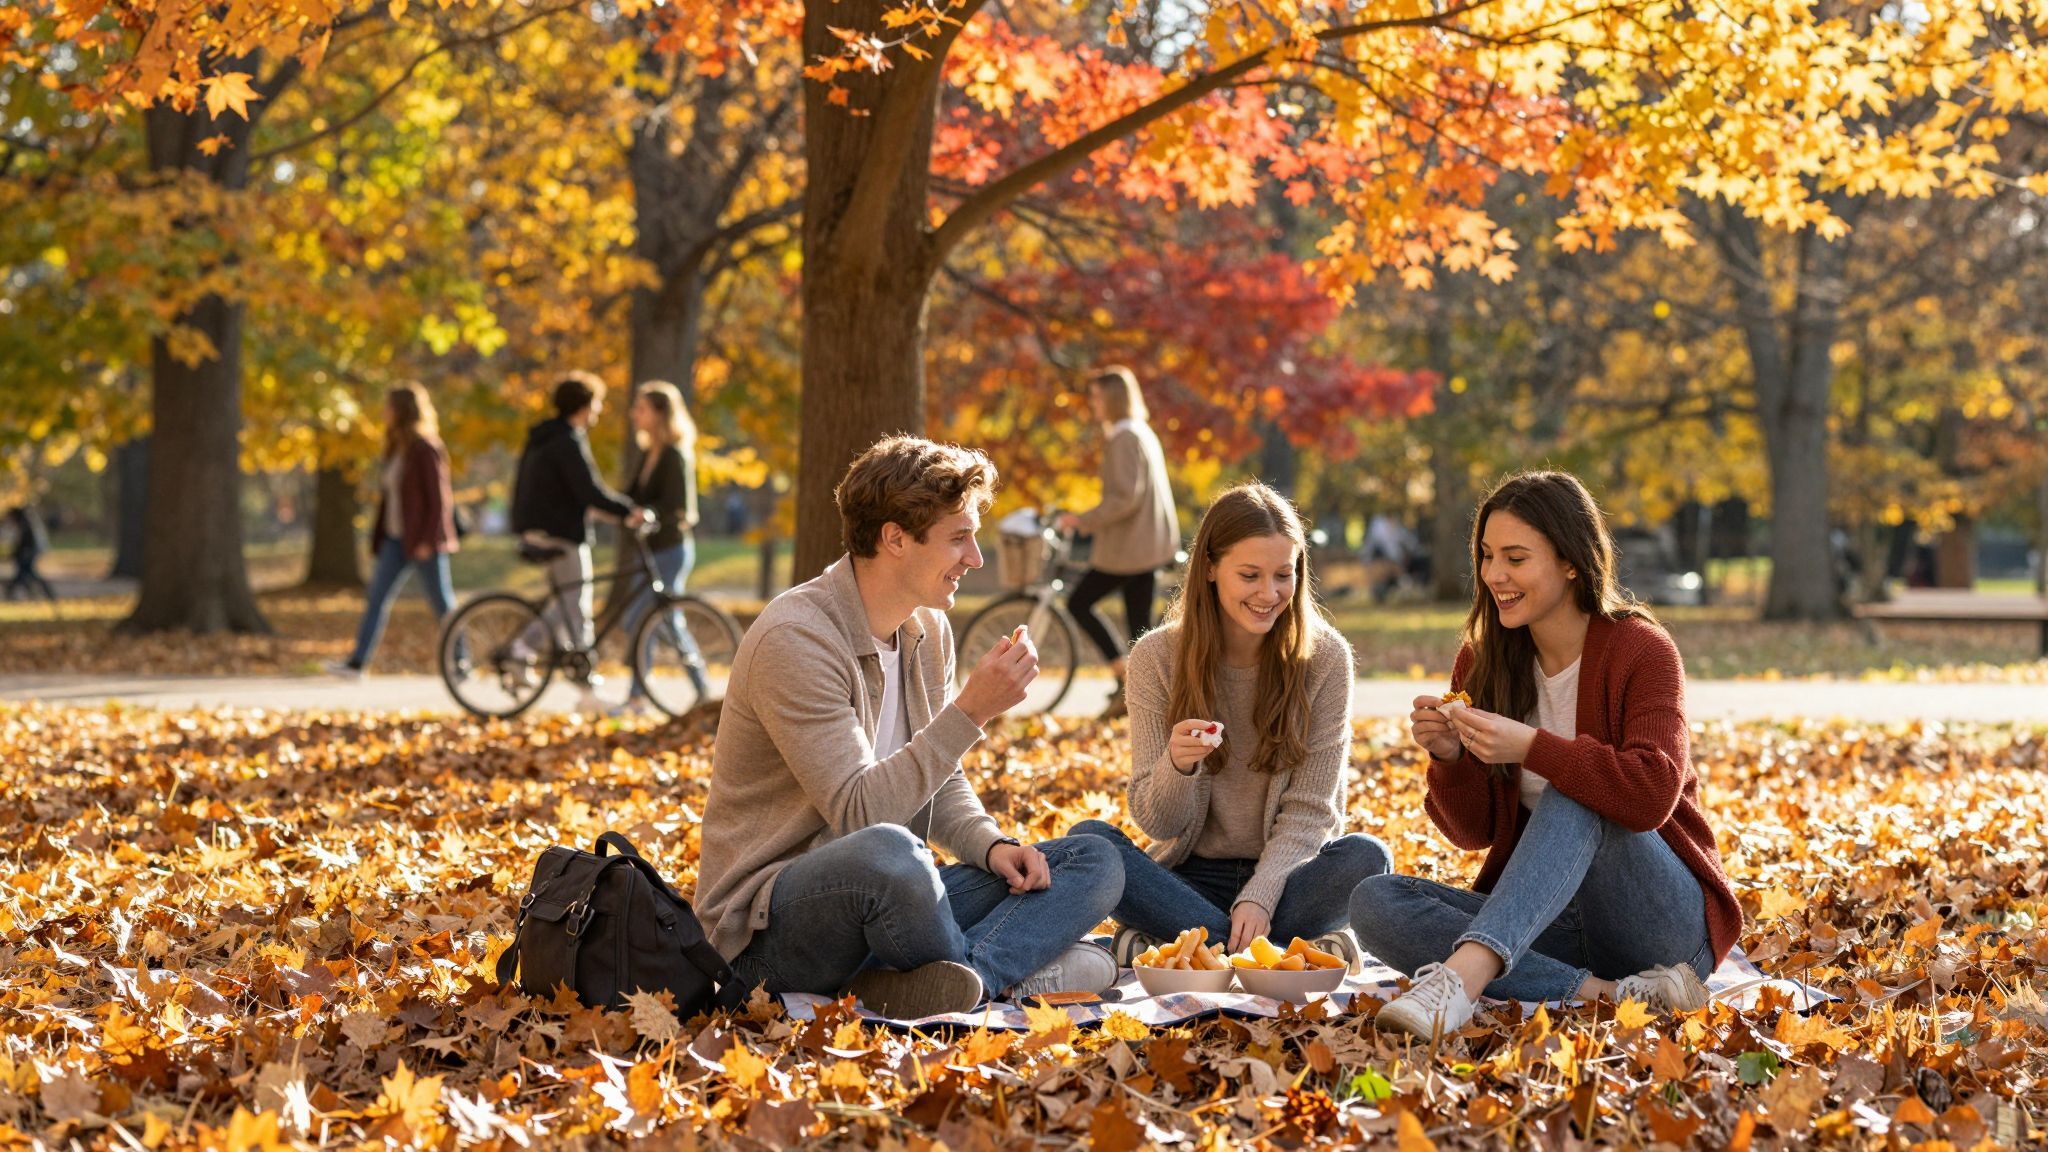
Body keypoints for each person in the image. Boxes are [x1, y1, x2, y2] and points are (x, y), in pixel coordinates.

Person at [694, 435, 1124, 1018]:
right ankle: (1002, 972)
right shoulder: (795, 639)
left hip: (894, 899)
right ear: (895, 538)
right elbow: (860, 814)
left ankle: (960, 976)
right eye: (958, 538)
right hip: (769, 930)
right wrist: (970, 712)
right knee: (890, 854)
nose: (975, 558)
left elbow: (936, 777)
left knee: (1091, 860)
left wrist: (991, 844)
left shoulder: (927, 630)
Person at [1350, 471, 1741, 1039]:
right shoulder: (1482, 664)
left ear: (1571, 562)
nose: (1494, 576)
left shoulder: (1642, 650)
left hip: (1662, 930)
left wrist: (1534, 748)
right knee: (1374, 901)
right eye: (1486, 556)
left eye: (1515, 558)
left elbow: (1652, 794)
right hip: (1546, 923)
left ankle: (1461, 981)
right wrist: (1451, 758)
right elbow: (1472, 833)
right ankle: (1601, 994)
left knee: (1575, 789)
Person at [1070, 483, 1388, 963]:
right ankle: (1276, 950)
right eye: (1250, 575)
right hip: (1190, 877)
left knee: (1368, 857)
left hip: (1289, 875)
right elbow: (1157, 821)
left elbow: (1313, 811)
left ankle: (1190, 945)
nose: (1270, 593)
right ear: (1211, 569)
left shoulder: (1325, 658)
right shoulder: (1156, 658)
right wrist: (1176, 766)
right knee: (1089, 844)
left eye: (1284, 575)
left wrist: (1261, 894)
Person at [509, 373, 649, 692]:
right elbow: (589, 491)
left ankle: (560, 666)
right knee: (576, 605)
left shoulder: (544, 437)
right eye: (596, 404)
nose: (598, 412)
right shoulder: (566, 441)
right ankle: (570, 675)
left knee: (566, 604)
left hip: (539, 529)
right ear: (584, 406)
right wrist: (629, 511)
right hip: (560, 533)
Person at [1057, 366, 1178, 718]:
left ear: (1111, 398)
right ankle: (1141, 694)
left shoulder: (1124, 437)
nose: (1092, 404)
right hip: (1146, 544)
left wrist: (1083, 521)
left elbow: (1125, 497)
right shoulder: (1140, 432)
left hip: (1131, 547)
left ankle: (1125, 677)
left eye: (1096, 396)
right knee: (1141, 628)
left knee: (1079, 602)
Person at [326, 385, 459, 677]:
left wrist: (427, 538)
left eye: (388, 407)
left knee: (441, 603)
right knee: (376, 597)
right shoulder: (395, 448)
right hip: (396, 540)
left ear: (403, 411)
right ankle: (358, 663)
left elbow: (439, 501)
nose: (384, 412)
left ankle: (461, 661)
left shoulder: (426, 448)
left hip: (423, 541)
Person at [614, 381, 711, 710]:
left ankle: (642, 696)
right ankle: (695, 690)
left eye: (641, 408)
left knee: (648, 619)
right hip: (651, 552)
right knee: (656, 620)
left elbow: (678, 507)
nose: (634, 415)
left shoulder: (674, 455)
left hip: (671, 550)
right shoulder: (648, 453)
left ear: (659, 414)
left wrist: (649, 513)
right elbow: (631, 496)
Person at [5, 504, 54, 602]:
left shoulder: (25, 524)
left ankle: (11, 592)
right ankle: (41, 593)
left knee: (25, 574)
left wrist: (17, 553)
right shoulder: (26, 522)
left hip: (29, 553)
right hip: (29, 552)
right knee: (27, 573)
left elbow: (25, 542)